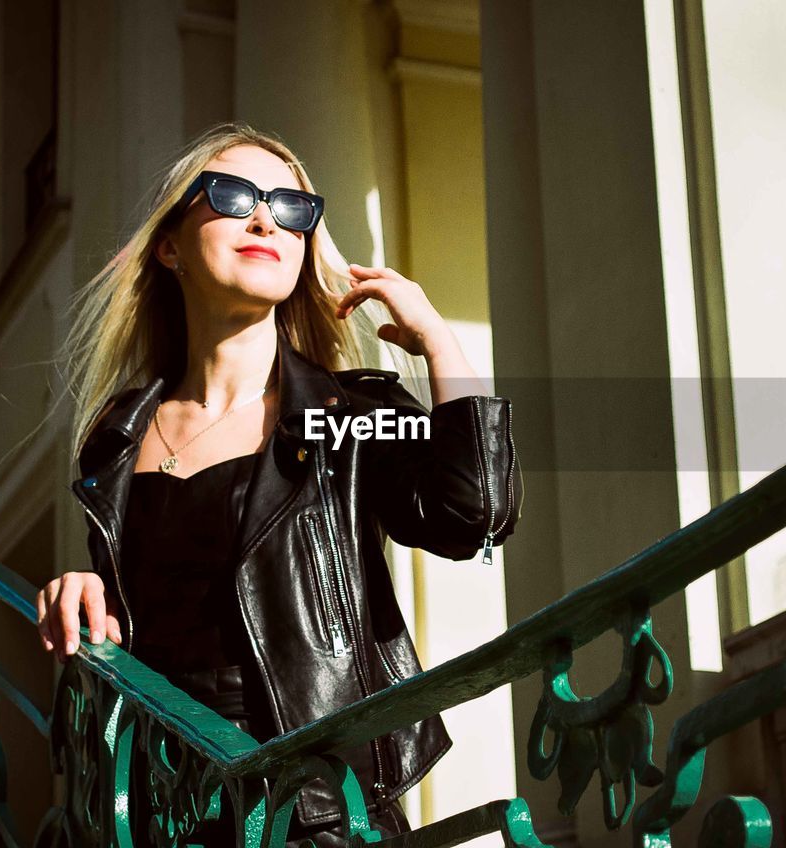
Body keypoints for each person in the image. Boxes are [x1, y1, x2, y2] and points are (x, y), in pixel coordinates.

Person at [34, 123, 521, 845]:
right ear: (170, 247)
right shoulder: (118, 437)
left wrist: (439, 342)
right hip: (165, 812)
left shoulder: (347, 415)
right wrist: (89, 590)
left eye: (292, 208)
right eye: (233, 195)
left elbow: (474, 513)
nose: (266, 218)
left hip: (316, 811)